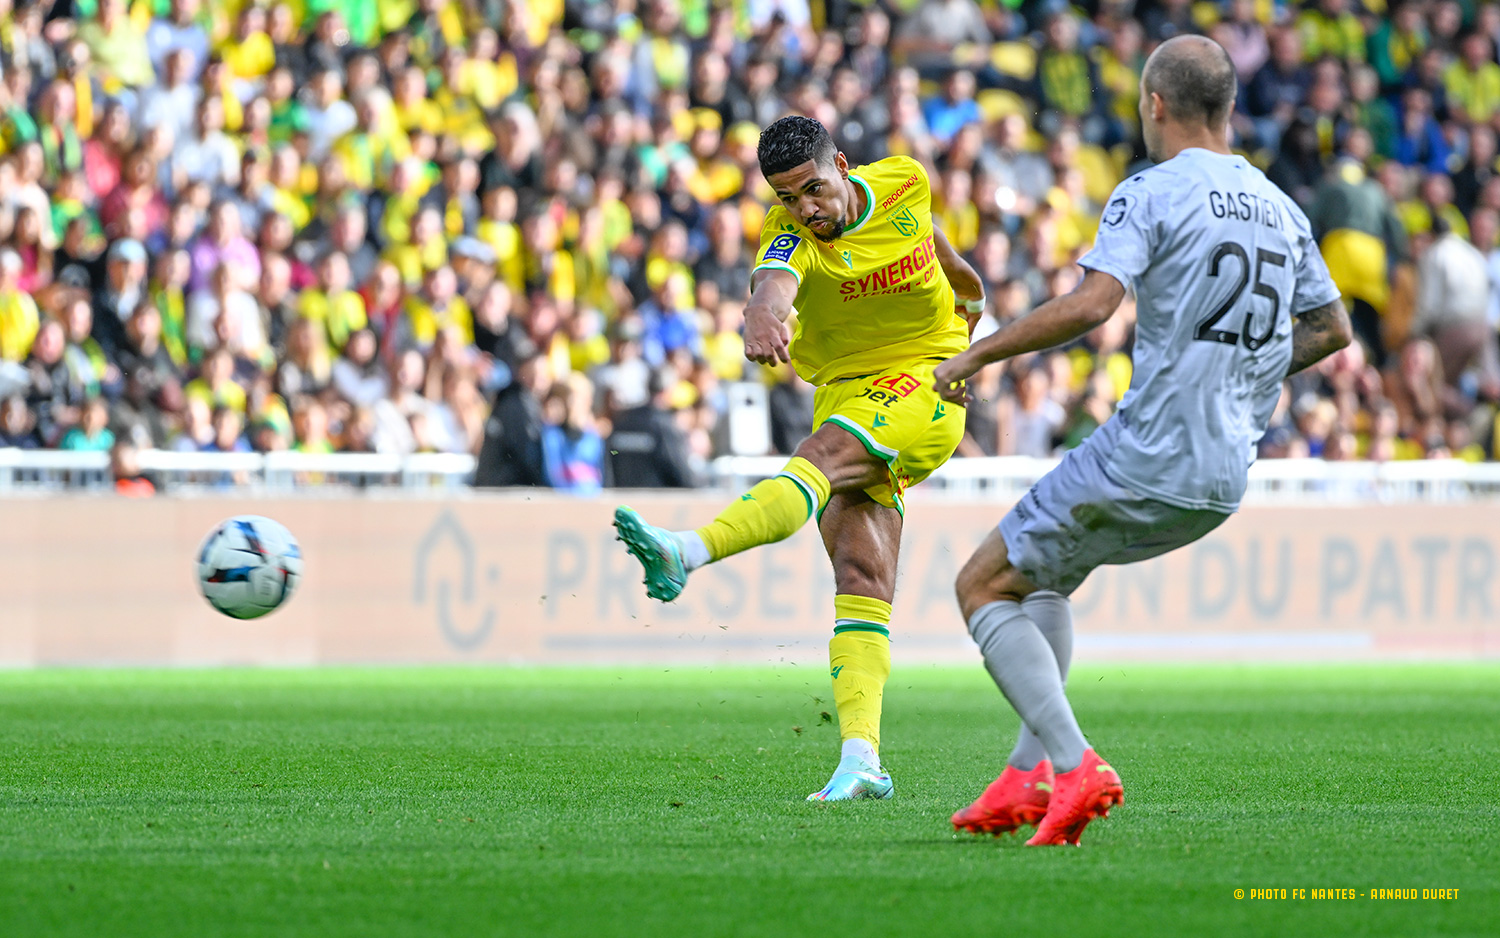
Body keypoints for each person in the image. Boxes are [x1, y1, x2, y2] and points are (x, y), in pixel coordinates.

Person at [932, 36, 1351, 846]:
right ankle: (1028, 778)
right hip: (1225, 473)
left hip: (1146, 453)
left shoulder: (1150, 191)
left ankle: (1073, 761)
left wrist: (979, 350)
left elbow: (1093, 307)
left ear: (1155, 105)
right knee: (1041, 578)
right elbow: (1332, 328)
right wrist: (1249, 371)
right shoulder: (1282, 206)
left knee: (981, 586)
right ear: (1228, 110)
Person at [613, 115, 985, 801]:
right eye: (787, 197)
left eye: (813, 189)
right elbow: (773, 282)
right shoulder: (786, 235)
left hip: (925, 379)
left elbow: (943, 254)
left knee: (817, 458)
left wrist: (971, 316)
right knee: (862, 573)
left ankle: (686, 551)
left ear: (842, 165)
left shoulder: (905, 181)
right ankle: (861, 759)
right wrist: (760, 310)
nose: (805, 209)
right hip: (845, 390)